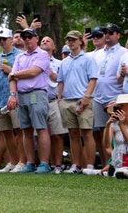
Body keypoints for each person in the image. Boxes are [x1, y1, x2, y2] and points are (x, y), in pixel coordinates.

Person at [7, 28, 51, 173]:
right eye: (24, 37)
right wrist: (12, 95)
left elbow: (33, 72)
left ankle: (44, 163)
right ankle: (30, 163)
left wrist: (14, 73)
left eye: (30, 37)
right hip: (21, 95)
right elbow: (12, 79)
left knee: (41, 128)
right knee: (25, 130)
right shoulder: (20, 57)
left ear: (36, 38)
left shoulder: (43, 54)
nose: (27, 40)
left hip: (36, 93)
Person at [57, 30, 98, 174]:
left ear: (81, 41)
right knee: (72, 134)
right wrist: (60, 99)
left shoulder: (88, 59)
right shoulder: (64, 62)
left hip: (83, 100)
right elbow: (60, 81)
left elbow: (93, 79)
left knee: (86, 133)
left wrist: (86, 97)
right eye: (68, 40)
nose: (70, 42)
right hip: (67, 101)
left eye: (73, 39)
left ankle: (90, 166)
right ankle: (76, 165)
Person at [0, 28, 25, 173]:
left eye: (4, 38)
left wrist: (11, 71)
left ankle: (23, 161)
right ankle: (13, 162)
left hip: (15, 99)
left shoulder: (20, 56)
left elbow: (26, 76)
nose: (1, 41)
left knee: (20, 131)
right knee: (6, 133)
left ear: (11, 39)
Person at [93, 24, 127, 168]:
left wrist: (123, 74)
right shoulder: (98, 53)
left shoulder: (123, 52)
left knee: (119, 129)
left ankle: (119, 162)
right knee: (102, 131)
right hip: (98, 96)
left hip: (116, 96)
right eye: (105, 32)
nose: (107, 35)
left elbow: (120, 79)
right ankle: (106, 163)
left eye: (111, 32)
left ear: (118, 35)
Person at [40, 36, 68, 174]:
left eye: (48, 41)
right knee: (40, 134)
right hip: (39, 101)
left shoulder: (60, 63)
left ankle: (57, 165)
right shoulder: (35, 61)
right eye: (42, 41)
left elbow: (64, 81)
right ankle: (44, 164)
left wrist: (53, 75)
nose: (44, 42)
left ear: (54, 46)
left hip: (54, 100)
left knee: (57, 134)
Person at [102, 94, 128, 178]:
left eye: (122, 106)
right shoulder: (114, 124)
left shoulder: (120, 125)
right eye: (118, 106)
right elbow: (106, 146)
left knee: (120, 172)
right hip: (118, 160)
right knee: (119, 171)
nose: (119, 109)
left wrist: (122, 126)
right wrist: (108, 125)